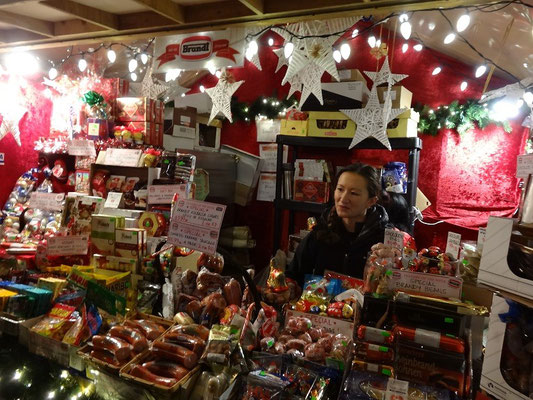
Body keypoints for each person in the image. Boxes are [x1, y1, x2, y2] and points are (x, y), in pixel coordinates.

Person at [286, 163, 390, 284]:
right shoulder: (319, 234)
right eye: (340, 189)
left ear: (371, 201)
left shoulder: (383, 241)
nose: (343, 198)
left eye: (354, 193)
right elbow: (293, 277)